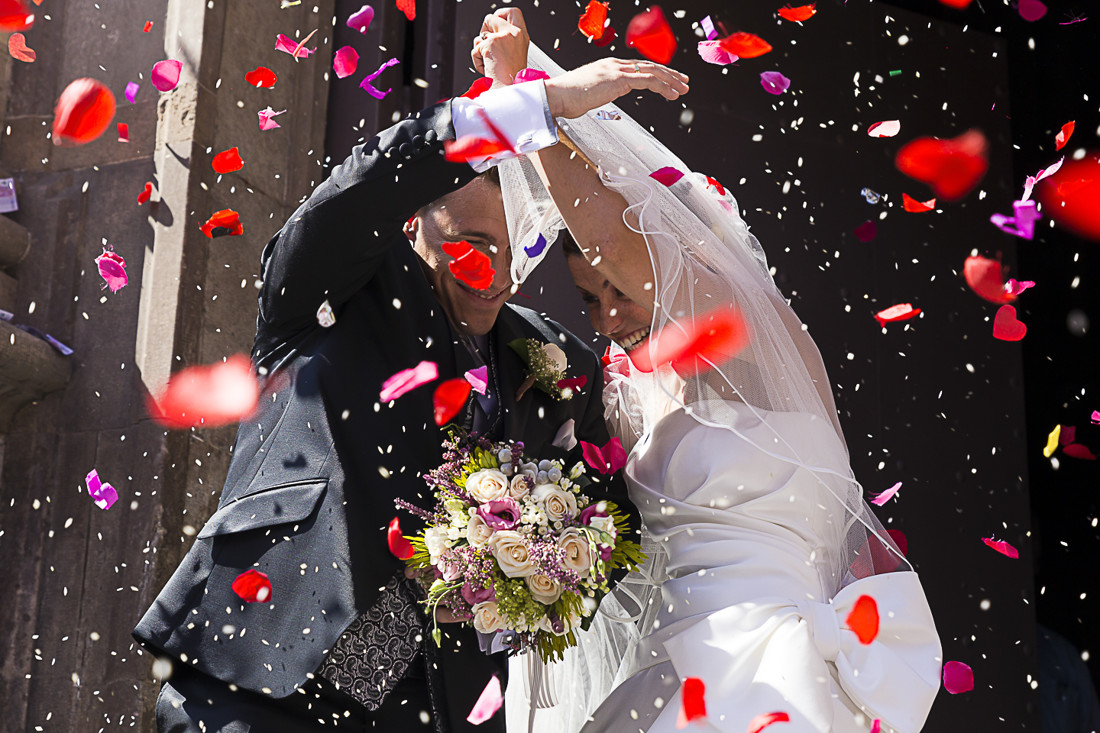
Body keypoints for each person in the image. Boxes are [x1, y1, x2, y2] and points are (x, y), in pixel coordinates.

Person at [130, 10, 689, 730]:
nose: (495, 280)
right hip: (262, 676)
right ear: (410, 227)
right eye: (472, 248)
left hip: (424, 701)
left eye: (512, 253)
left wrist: (525, 561)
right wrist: (531, 105)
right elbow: (366, 185)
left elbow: (612, 525)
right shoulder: (334, 287)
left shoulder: (554, 361)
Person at [468, 12, 944, 733]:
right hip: (669, 668)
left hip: (771, 662)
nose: (606, 319)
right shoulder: (621, 388)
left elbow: (610, 236)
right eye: (588, 299)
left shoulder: (752, 324)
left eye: (617, 290)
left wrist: (523, 95)